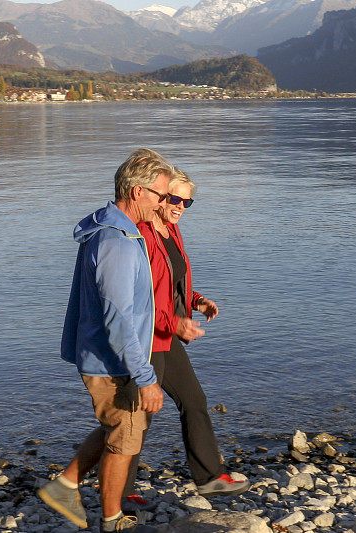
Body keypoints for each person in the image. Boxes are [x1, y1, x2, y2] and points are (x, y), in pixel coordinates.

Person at [38, 149, 173, 532]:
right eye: (159, 195)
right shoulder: (116, 242)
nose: (163, 203)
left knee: (116, 426)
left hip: (107, 355)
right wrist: (144, 377)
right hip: (113, 360)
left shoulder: (119, 232)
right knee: (125, 438)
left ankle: (65, 484)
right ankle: (112, 520)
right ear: (135, 191)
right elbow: (118, 319)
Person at [123, 169, 249, 507]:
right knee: (142, 414)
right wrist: (175, 324)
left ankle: (210, 478)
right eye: (173, 198)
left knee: (193, 400)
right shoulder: (143, 234)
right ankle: (117, 491)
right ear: (159, 197)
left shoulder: (172, 230)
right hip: (147, 335)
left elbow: (171, 283)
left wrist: (196, 300)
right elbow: (138, 297)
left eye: (186, 201)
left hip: (168, 331)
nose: (179, 206)